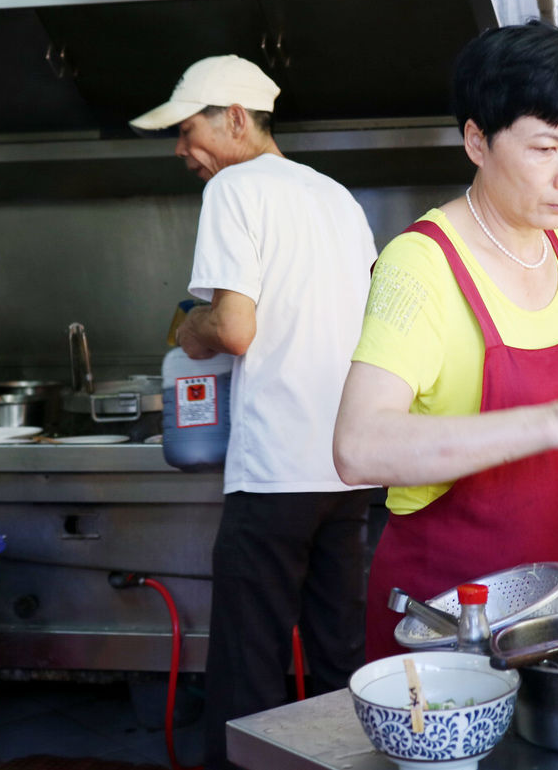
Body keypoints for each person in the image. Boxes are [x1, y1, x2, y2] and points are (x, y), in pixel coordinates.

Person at [332, 21, 558, 662]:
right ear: (477, 142)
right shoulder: (420, 264)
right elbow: (358, 447)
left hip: (553, 614)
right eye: (546, 149)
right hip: (449, 627)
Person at [130, 55, 378, 769]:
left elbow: (234, 327)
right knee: (338, 661)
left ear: (236, 119)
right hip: (347, 466)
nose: (182, 149)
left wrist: (189, 332)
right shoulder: (337, 197)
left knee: (249, 666)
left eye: (188, 130)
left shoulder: (236, 187)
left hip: (274, 475)